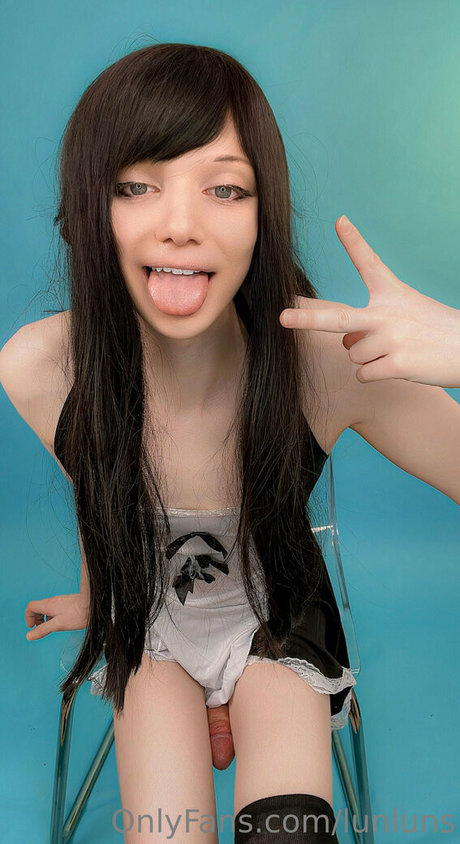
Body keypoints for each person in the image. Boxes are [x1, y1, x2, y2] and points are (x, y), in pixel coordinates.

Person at [1, 42, 458, 844]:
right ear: (89, 209)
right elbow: (98, 490)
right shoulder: (41, 369)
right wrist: (96, 595)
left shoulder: (328, 363)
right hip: (149, 625)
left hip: (277, 624)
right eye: (136, 185)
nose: (181, 226)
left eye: (225, 188)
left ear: (262, 215)